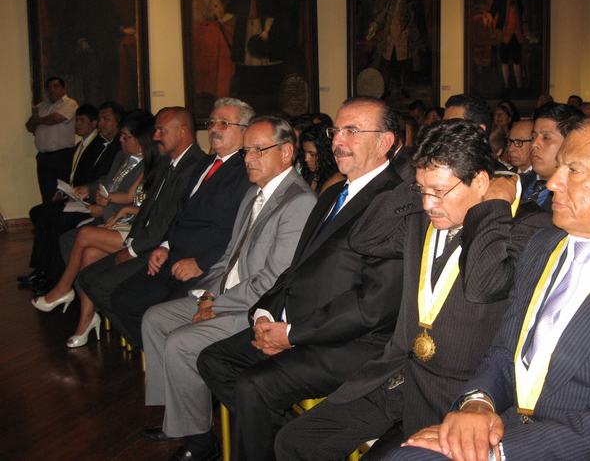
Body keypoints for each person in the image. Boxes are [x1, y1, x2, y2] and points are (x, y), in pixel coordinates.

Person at [390, 115, 590, 461]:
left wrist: (499, 452)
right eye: (559, 167)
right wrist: (478, 402)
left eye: (573, 171)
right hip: (513, 429)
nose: (552, 183)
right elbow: (505, 350)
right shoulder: (546, 244)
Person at [274, 120, 552, 460]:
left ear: (481, 181)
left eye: (440, 191)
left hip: (457, 397)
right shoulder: (425, 214)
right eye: (423, 191)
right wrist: (417, 181)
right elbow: (364, 238)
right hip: (397, 375)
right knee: (294, 441)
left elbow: (483, 285)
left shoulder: (527, 225)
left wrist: (492, 205)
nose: (428, 204)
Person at [196, 97, 404, 461]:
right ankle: (285, 440)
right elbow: (296, 268)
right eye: (336, 130)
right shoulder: (333, 193)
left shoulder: (395, 202)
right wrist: (265, 313)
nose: (338, 141)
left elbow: (373, 306)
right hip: (298, 324)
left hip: (351, 343)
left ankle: (284, 441)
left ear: (384, 142)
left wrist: (293, 334)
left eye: (352, 131)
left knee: (253, 386)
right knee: (214, 360)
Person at [140, 116, 317, 459]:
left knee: (180, 343)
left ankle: (199, 442)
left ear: (286, 152)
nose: (248, 158)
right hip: (224, 295)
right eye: (246, 150)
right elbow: (228, 258)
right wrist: (209, 294)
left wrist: (217, 305)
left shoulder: (298, 202)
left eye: (258, 150)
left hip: (254, 309)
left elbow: (271, 281)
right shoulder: (252, 194)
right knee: (155, 319)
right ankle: (179, 415)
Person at [107, 98, 254, 347]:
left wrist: (201, 263)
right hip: (174, 255)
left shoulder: (247, 171)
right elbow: (181, 211)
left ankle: (173, 358)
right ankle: (158, 355)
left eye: (223, 123)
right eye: (211, 122)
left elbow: (240, 231)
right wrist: (165, 245)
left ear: (244, 130)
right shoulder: (205, 164)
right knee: (122, 299)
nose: (213, 128)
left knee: (164, 317)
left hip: (207, 266)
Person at [30, 110, 158, 348]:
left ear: (141, 140)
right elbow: (118, 190)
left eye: (126, 137)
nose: (121, 141)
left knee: (83, 234)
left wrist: (116, 206)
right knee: (88, 254)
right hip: (122, 221)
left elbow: (142, 204)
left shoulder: (155, 164)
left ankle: (63, 288)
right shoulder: (125, 157)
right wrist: (102, 196)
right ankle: (85, 321)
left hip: (139, 229)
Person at [78, 108, 206, 341]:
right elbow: (148, 208)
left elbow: (169, 221)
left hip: (161, 249)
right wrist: (130, 242)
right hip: (144, 242)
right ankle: (146, 340)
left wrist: (132, 251)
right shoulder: (167, 161)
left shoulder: (196, 166)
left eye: (161, 131)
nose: (155, 136)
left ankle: (150, 343)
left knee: (101, 287)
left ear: (182, 131)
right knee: (86, 278)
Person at [20, 101, 123, 294]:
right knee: (41, 213)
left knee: (56, 219)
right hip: (85, 198)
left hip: (97, 203)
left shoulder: (119, 147)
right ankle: (43, 269)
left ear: (118, 122)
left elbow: (109, 180)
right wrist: (70, 191)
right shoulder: (101, 144)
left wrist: (87, 191)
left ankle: (54, 276)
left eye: (106, 119)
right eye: (100, 119)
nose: (101, 123)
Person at [521, 103, 584, 210]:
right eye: (533, 137)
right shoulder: (517, 183)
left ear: (571, 143)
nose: (534, 144)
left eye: (546, 138)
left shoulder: (576, 198)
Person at [26, 76, 78, 203]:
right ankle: (48, 215)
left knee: (62, 194)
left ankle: (62, 216)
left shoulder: (70, 103)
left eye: (55, 86)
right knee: (47, 194)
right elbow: (29, 126)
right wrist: (36, 122)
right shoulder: (41, 106)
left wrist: (37, 121)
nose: (52, 90)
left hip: (62, 156)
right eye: (49, 87)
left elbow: (55, 119)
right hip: (43, 156)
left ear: (63, 89)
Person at [227, 0, 276, 67]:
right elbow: (233, 8)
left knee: (260, 55)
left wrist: (266, 30)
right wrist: (222, 19)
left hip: (260, 26)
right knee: (247, 57)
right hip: (246, 26)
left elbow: (270, 11)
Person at [490, 0, 526, 92]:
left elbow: (521, 11)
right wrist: (489, 18)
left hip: (516, 32)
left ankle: (519, 85)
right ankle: (506, 85)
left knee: (517, 59)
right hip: (504, 31)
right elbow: (493, 9)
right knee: (504, 59)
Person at [299, 124, 343, 194]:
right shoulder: (310, 174)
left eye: (312, 154)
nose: (306, 159)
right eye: (304, 153)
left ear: (325, 154)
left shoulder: (336, 179)